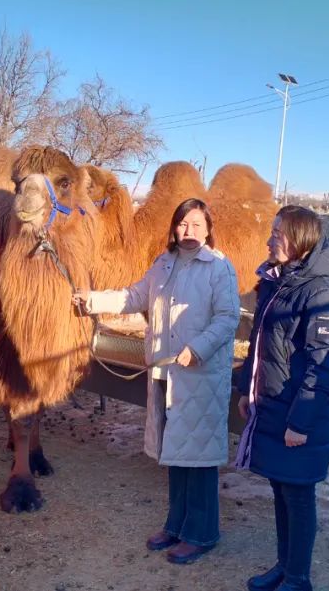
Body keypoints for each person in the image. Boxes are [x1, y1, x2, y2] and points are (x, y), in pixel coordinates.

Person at [73, 198, 240, 565]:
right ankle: (177, 526)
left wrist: (197, 348)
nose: (189, 231)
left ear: (209, 228)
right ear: (174, 227)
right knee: (176, 454)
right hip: (165, 374)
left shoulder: (219, 268)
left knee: (198, 459)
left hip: (200, 377)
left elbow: (228, 318)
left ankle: (202, 533)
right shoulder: (162, 265)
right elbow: (134, 296)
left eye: (197, 224)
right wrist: (92, 301)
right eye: (183, 224)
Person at [234, 205, 329, 591]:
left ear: (300, 240)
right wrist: (245, 391)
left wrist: (300, 422)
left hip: (298, 417)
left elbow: (324, 368)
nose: (270, 240)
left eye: (278, 233)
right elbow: (258, 346)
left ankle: (298, 578)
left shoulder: (322, 296)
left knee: (298, 496)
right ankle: (284, 567)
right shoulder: (277, 284)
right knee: (280, 489)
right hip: (272, 408)